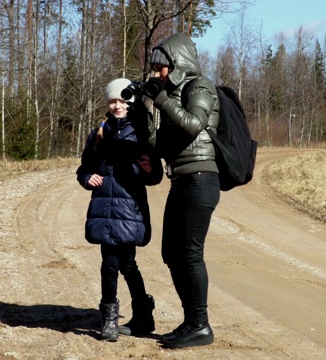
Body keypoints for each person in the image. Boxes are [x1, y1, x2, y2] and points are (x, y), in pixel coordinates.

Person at [142, 33, 220, 349]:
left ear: (176, 64)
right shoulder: (172, 95)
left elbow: (193, 124)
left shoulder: (200, 86)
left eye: (161, 68)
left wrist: (161, 99)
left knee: (188, 253)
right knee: (171, 254)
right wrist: (144, 114)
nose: (157, 74)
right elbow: (158, 146)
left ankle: (201, 326)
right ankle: (191, 322)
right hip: (182, 180)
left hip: (201, 179)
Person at [76, 78, 163, 342]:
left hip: (129, 209)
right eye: (113, 101)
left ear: (130, 103)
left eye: (122, 101)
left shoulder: (140, 133)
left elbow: (154, 175)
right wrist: (86, 177)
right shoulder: (98, 134)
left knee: (126, 263)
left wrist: (142, 168)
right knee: (111, 263)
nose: (117, 106)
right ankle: (112, 319)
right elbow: (84, 168)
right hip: (104, 206)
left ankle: (137, 313)